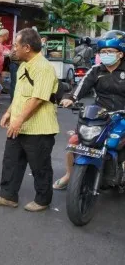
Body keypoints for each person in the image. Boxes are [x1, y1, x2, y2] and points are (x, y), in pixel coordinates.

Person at [0, 28, 59, 212]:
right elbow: (20, 95)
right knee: (11, 160)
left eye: (16, 45)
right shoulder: (24, 66)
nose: (13, 49)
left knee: (40, 166)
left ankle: (43, 200)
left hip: (39, 128)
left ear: (27, 47)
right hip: (19, 124)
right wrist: (9, 113)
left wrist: (18, 121)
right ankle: (7, 195)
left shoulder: (44, 68)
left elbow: (38, 99)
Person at [53, 31, 125, 190]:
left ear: (120, 54)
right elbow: (81, 87)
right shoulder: (96, 70)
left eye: (110, 52)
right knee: (75, 142)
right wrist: (70, 98)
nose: (106, 55)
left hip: (122, 116)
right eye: (103, 52)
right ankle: (70, 175)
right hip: (100, 115)